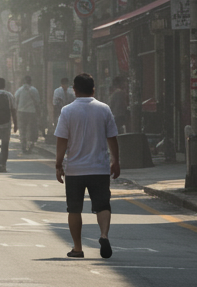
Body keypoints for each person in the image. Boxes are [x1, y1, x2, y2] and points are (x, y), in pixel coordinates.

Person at [54, 74, 120, 259]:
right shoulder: (104, 109)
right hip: (99, 168)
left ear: (74, 90)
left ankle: (77, 248)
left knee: (74, 209)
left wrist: (58, 165)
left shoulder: (67, 111)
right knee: (103, 205)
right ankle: (104, 235)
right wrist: (115, 161)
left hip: (75, 170)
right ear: (93, 89)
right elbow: (112, 138)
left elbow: (62, 140)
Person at [14, 76, 42, 153]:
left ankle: (23, 146)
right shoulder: (34, 90)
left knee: (22, 130)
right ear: (31, 82)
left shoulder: (19, 90)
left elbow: (15, 101)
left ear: (23, 82)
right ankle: (30, 146)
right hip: (31, 113)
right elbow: (37, 102)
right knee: (31, 130)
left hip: (21, 113)